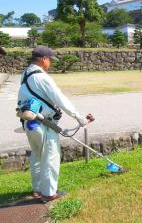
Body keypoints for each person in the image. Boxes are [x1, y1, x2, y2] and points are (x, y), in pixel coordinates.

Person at [17, 46, 90, 202]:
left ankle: (37, 189)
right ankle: (49, 193)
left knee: (36, 156)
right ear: (44, 59)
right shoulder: (41, 77)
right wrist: (79, 117)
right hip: (43, 124)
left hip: (29, 122)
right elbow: (59, 98)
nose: (50, 63)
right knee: (50, 156)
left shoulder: (25, 74)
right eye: (50, 60)